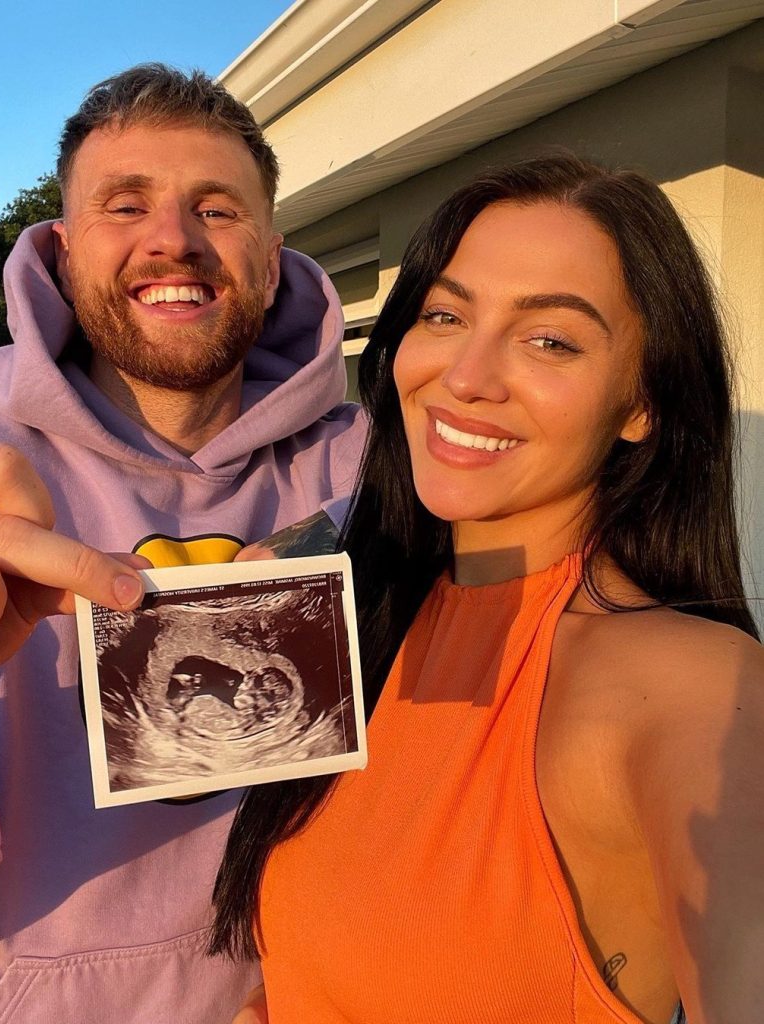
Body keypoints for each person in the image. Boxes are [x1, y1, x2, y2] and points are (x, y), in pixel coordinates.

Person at [212, 154, 764, 1024]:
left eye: (551, 339)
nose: (466, 376)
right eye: (445, 314)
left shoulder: (689, 689)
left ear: (641, 403)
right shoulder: (365, 614)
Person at [0, 64, 364, 1022]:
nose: (171, 239)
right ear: (59, 253)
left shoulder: (379, 476)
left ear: (270, 260)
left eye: (216, 209)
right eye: (124, 204)